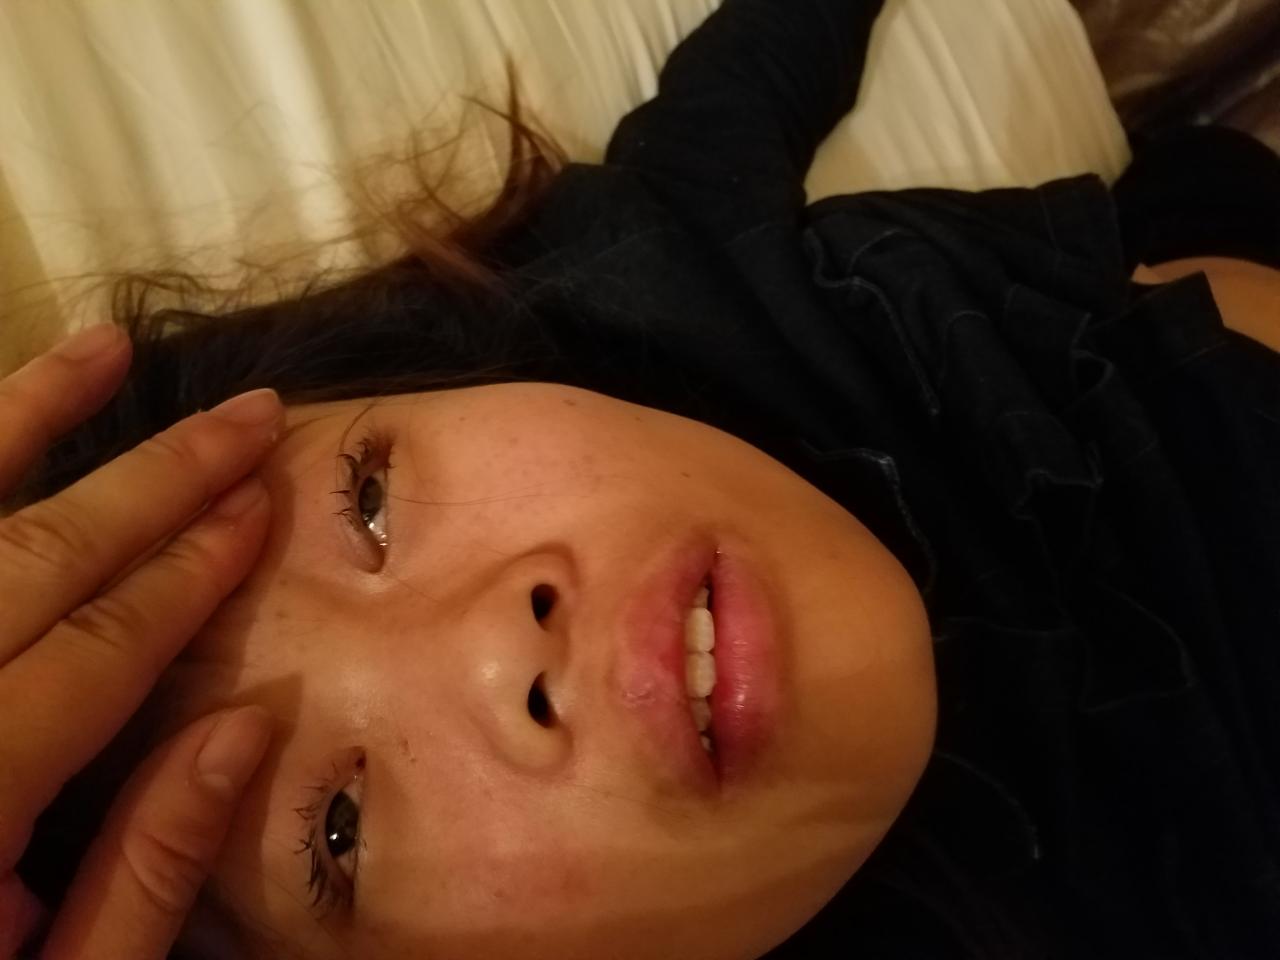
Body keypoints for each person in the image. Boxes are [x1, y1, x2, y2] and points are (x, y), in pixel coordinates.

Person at [5, 0, 1280, 957]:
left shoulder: (641, 273)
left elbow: (764, 60)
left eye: (369, 500)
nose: (502, 650)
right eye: (339, 831)